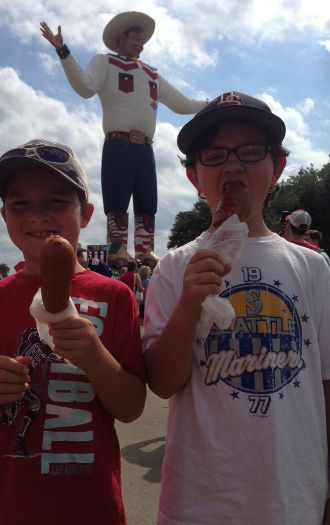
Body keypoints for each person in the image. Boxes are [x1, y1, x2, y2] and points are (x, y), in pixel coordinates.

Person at [143, 91, 330, 524]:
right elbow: (163, 382)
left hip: (294, 493)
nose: (231, 166)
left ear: (276, 168)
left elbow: (325, 383)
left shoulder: (311, 267)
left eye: (249, 152)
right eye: (213, 155)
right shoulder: (174, 267)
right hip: (200, 498)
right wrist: (190, 303)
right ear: (194, 176)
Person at [0, 139, 146, 524]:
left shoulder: (115, 296)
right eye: (20, 204)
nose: (37, 215)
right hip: (0, 507)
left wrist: (95, 358)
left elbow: (132, 407)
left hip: (92, 507)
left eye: (56, 201)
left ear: (85, 214)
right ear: (4, 216)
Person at [40, 12, 207, 268]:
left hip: (146, 146)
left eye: (143, 39)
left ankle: (145, 250)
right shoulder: (106, 62)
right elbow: (85, 87)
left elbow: (182, 103)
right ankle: (117, 248)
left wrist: (210, 104)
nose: (141, 43)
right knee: (117, 196)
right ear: (121, 38)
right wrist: (64, 52)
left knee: (147, 199)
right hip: (118, 141)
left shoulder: (151, 73)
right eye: (136, 37)